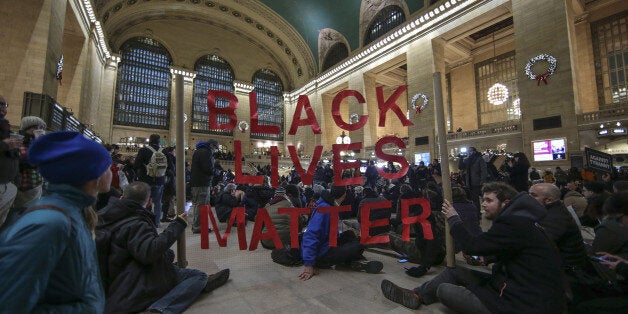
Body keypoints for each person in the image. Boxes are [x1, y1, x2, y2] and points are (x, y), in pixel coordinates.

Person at [381, 182, 565, 313]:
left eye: (489, 200)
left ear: (506, 203)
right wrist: (490, 257)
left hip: (520, 304)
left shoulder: (514, 223)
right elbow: (511, 249)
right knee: (455, 272)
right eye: (483, 199)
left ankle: (428, 294)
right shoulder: (521, 221)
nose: (483, 204)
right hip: (515, 287)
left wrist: (454, 218)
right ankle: (416, 295)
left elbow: (472, 246)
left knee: (444, 289)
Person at [0, 131, 112, 312]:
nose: (111, 171)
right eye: (108, 166)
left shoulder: (72, 213)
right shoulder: (49, 224)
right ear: (92, 174)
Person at [96, 181, 229, 313]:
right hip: (131, 284)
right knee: (198, 277)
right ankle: (160, 309)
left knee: (172, 263)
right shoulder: (136, 223)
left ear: (122, 197)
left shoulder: (105, 216)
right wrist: (177, 224)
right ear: (148, 202)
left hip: (112, 277)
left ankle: (192, 283)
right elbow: (150, 253)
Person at [299, 186, 383, 280]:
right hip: (321, 254)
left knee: (350, 234)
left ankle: (349, 260)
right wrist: (308, 263)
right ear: (344, 195)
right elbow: (310, 235)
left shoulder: (329, 205)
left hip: (327, 243)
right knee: (360, 243)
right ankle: (349, 261)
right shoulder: (325, 209)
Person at [529, 183, 588, 268]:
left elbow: (537, 245)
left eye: (533, 195)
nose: (528, 198)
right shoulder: (551, 211)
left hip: (568, 272)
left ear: (549, 200)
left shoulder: (555, 218)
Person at [134, 134, 171, 227]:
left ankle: (146, 222)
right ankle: (157, 222)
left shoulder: (144, 150)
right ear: (159, 141)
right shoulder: (164, 151)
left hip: (146, 180)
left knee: (145, 201)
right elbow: (171, 166)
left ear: (149, 140)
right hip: (160, 180)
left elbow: (136, 165)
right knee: (158, 202)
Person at [13, 116, 46, 209]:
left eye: (41, 128)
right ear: (26, 128)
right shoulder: (18, 141)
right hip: (24, 186)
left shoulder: (37, 144)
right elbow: (20, 162)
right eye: (35, 127)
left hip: (37, 184)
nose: (39, 130)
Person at [0, 95, 20, 227]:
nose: (2, 107)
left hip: (7, 183)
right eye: (0, 104)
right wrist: (4, 145)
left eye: (4, 105)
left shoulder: (5, 127)